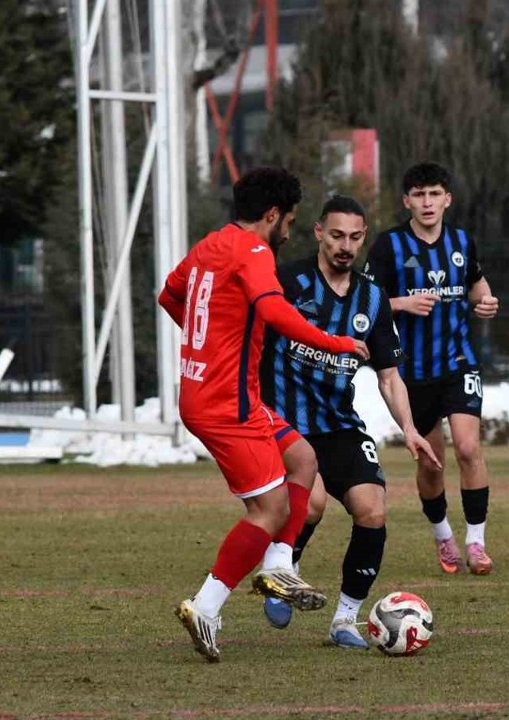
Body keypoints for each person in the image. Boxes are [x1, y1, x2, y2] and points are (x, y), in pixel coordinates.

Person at [158, 167, 368, 663]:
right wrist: (336, 343)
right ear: (273, 215)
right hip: (225, 403)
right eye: (289, 221)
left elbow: (170, 294)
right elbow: (274, 312)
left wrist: (207, 343)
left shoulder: (211, 245)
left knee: (303, 459)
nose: (289, 232)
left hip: (221, 393)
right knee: (270, 510)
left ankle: (279, 565)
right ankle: (206, 607)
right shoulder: (254, 252)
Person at [257, 195, 441, 648]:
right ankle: (283, 568)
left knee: (373, 509)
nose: (345, 246)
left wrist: (410, 428)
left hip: (338, 424)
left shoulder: (372, 298)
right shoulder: (287, 281)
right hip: (284, 422)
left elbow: (389, 376)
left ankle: (344, 620)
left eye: (355, 237)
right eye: (337, 235)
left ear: (363, 238)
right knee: (312, 503)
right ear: (319, 232)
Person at [364, 162, 499, 575]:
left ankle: (476, 542)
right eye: (419, 195)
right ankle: (443, 535)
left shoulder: (461, 241)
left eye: (434, 194)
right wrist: (402, 303)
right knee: (430, 461)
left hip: (458, 362)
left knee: (469, 448)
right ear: (406, 201)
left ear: (447, 199)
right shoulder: (388, 246)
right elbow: (363, 303)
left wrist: (486, 301)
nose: (427, 202)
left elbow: (476, 284)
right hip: (411, 372)